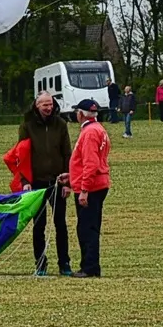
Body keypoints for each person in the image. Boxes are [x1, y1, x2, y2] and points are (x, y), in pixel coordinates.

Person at [20, 91, 73, 277]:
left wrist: (69, 182)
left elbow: (68, 153)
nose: (48, 108)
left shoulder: (61, 124)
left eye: (50, 104)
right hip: (37, 184)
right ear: (37, 106)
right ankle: (40, 263)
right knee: (39, 225)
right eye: (45, 105)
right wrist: (25, 181)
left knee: (61, 224)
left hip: (59, 182)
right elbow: (22, 154)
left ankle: (64, 263)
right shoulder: (27, 125)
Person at [68, 97, 111, 278]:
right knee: (89, 225)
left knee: (87, 228)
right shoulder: (99, 129)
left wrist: (84, 189)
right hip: (97, 183)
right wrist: (71, 177)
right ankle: (89, 265)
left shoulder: (89, 133)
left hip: (91, 188)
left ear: (80, 114)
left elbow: (91, 163)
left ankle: (90, 267)